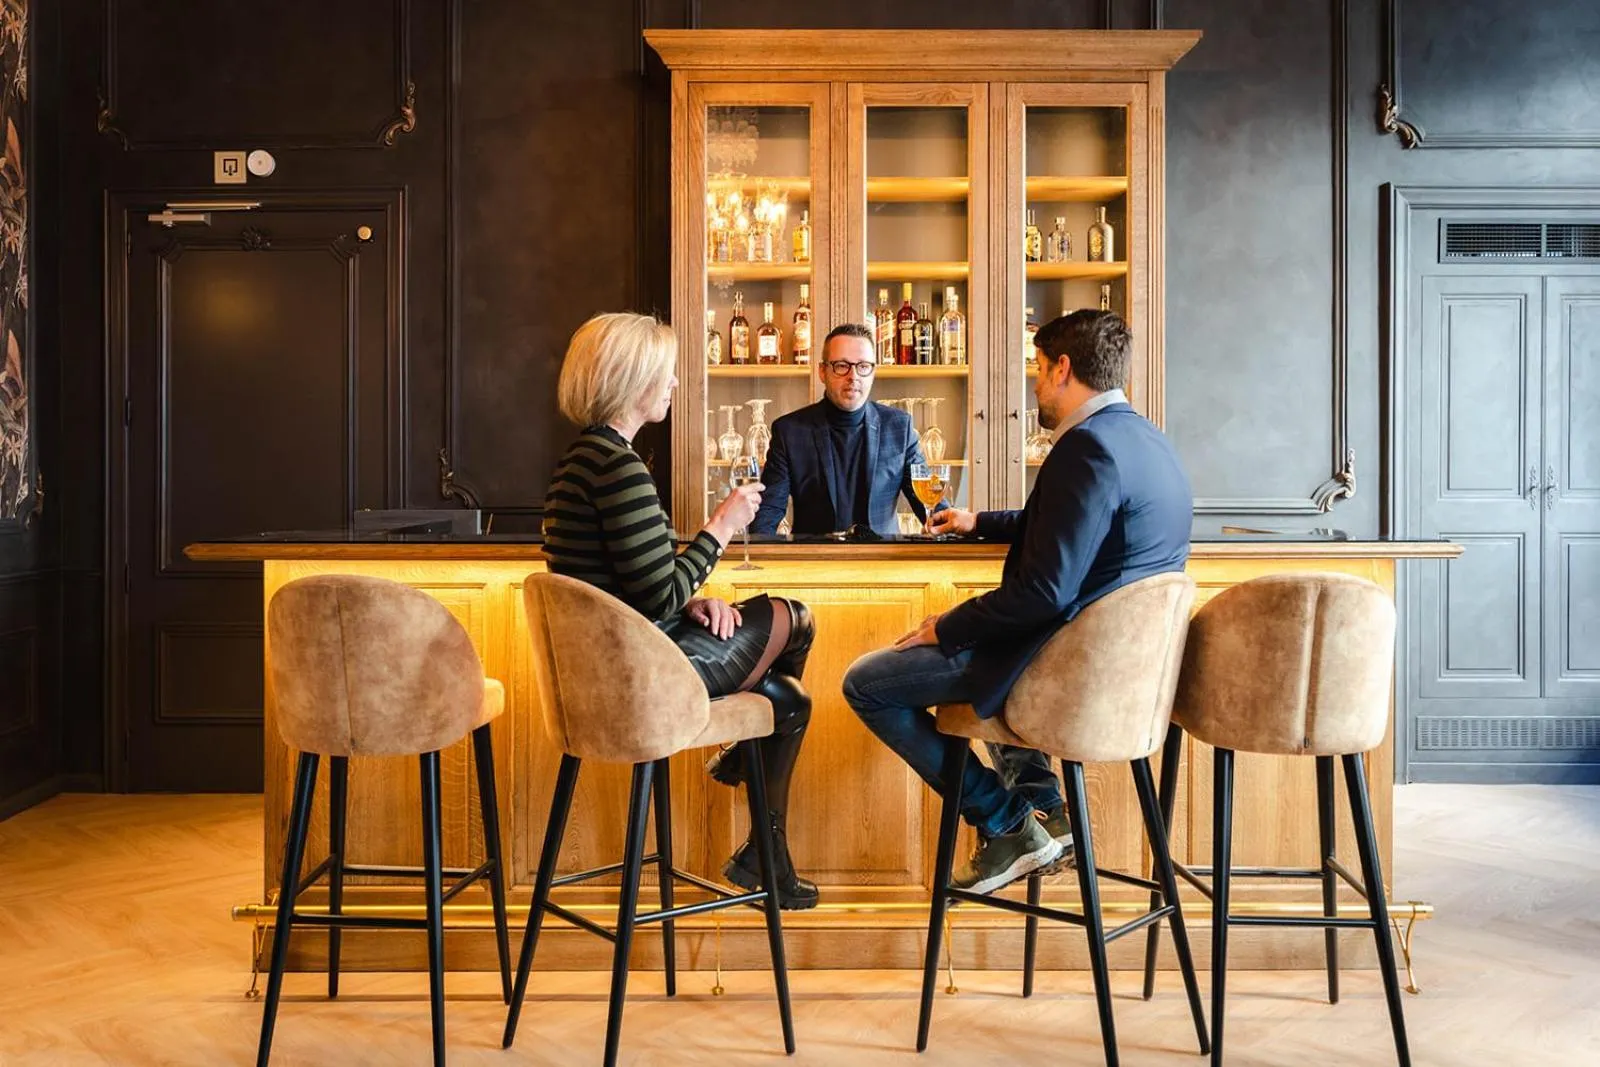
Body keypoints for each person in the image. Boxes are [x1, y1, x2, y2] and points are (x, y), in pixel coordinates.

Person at [842, 310, 1193, 895]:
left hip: (1058, 666)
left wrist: (948, 626)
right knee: (975, 670)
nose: (1033, 383)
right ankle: (1045, 810)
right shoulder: (1146, 442)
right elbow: (1073, 526)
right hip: (1123, 677)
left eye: (1037, 368)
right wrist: (980, 521)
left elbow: (1042, 594)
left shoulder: (1085, 449)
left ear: (1063, 368)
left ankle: (1005, 823)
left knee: (867, 683)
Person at [543, 312, 819, 909]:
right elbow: (654, 596)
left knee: (787, 700)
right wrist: (720, 528)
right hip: (642, 680)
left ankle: (766, 859)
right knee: (794, 616)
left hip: (609, 671)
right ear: (634, 379)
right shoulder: (617, 466)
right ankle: (746, 782)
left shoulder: (584, 460)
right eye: (667, 375)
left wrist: (692, 599)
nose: (674, 386)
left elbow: (639, 585)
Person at [749, 323, 939, 537]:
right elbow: (766, 515)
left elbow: (930, 506)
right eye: (842, 365)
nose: (853, 376)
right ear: (822, 371)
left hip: (884, 563)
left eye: (863, 366)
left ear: (873, 372)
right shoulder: (789, 432)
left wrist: (957, 525)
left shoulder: (899, 427)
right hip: (813, 563)